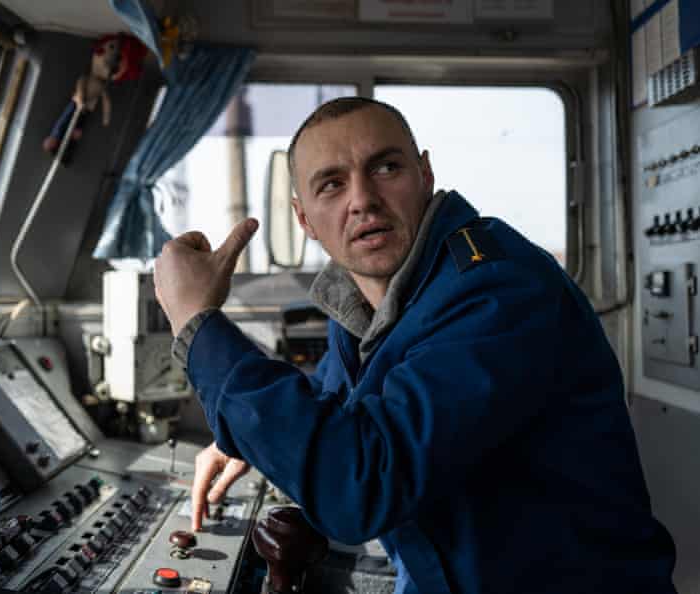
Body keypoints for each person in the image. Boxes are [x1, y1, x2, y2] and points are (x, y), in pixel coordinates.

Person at [153, 97, 676, 593]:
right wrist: (245, 438)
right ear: (304, 219)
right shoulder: (366, 296)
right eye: (332, 184)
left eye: (386, 168)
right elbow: (338, 404)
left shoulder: (498, 291)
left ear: (424, 175)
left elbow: (361, 485)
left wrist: (197, 323)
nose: (362, 199)